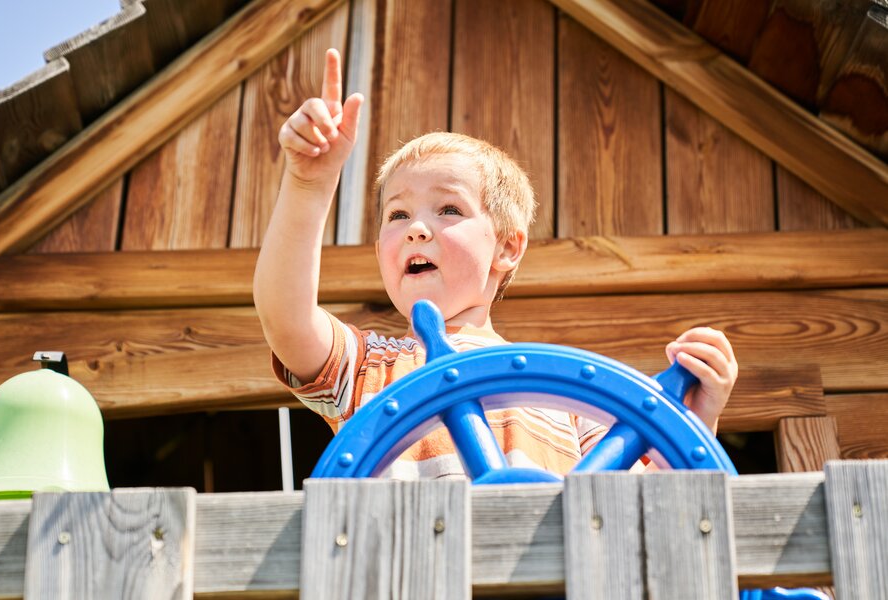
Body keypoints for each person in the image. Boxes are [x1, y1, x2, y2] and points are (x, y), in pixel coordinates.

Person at [253, 48, 738, 479]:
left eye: (449, 210)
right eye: (398, 214)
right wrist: (308, 184)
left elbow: (645, 509)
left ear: (507, 247)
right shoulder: (368, 368)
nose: (417, 228)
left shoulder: (566, 397)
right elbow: (286, 319)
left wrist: (695, 424)